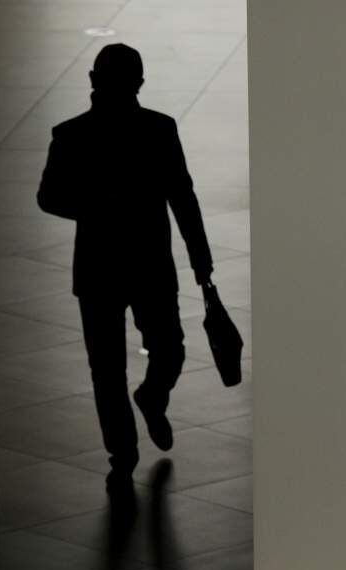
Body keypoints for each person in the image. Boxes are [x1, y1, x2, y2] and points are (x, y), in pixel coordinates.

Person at [36, 43, 215, 495]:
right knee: (164, 350)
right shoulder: (157, 130)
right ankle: (143, 413)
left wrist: (96, 205)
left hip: (100, 267)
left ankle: (125, 449)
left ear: (93, 80)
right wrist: (201, 263)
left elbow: (50, 197)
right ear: (139, 82)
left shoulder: (72, 135)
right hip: (149, 263)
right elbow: (183, 199)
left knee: (109, 369)